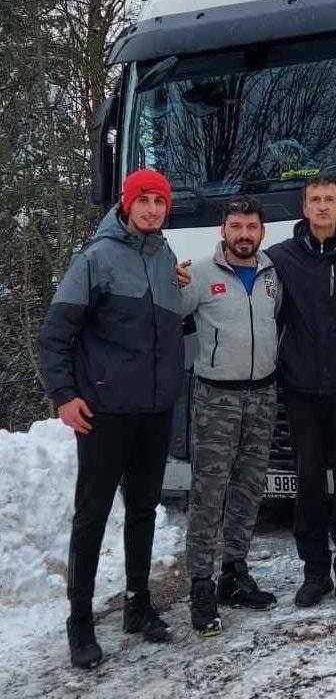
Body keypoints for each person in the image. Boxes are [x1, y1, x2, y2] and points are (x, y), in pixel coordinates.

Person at [38, 168, 184, 669]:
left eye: (158, 202)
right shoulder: (96, 258)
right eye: (142, 201)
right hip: (104, 410)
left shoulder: (163, 257)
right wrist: (64, 395)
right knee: (93, 512)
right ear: (125, 204)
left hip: (154, 410)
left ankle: (138, 605)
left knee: (143, 509)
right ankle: (80, 621)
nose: (150, 210)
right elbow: (56, 334)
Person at [267, 173, 336, 612]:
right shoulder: (280, 258)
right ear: (304, 206)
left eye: (329, 199)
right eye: (315, 199)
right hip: (301, 390)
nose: (322, 206)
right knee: (308, 483)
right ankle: (315, 573)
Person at [178, 197, 281, 637]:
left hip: (262, 395)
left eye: (251, 227)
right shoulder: (198, 274)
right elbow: (168, 315)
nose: (244, 234)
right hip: (216, 399)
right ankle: (201, 584)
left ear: (262, 232)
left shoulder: (272, 274)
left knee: (249, 487)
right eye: (236, 226)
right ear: (223, 230)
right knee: (208, 493)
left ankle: (234, 573)